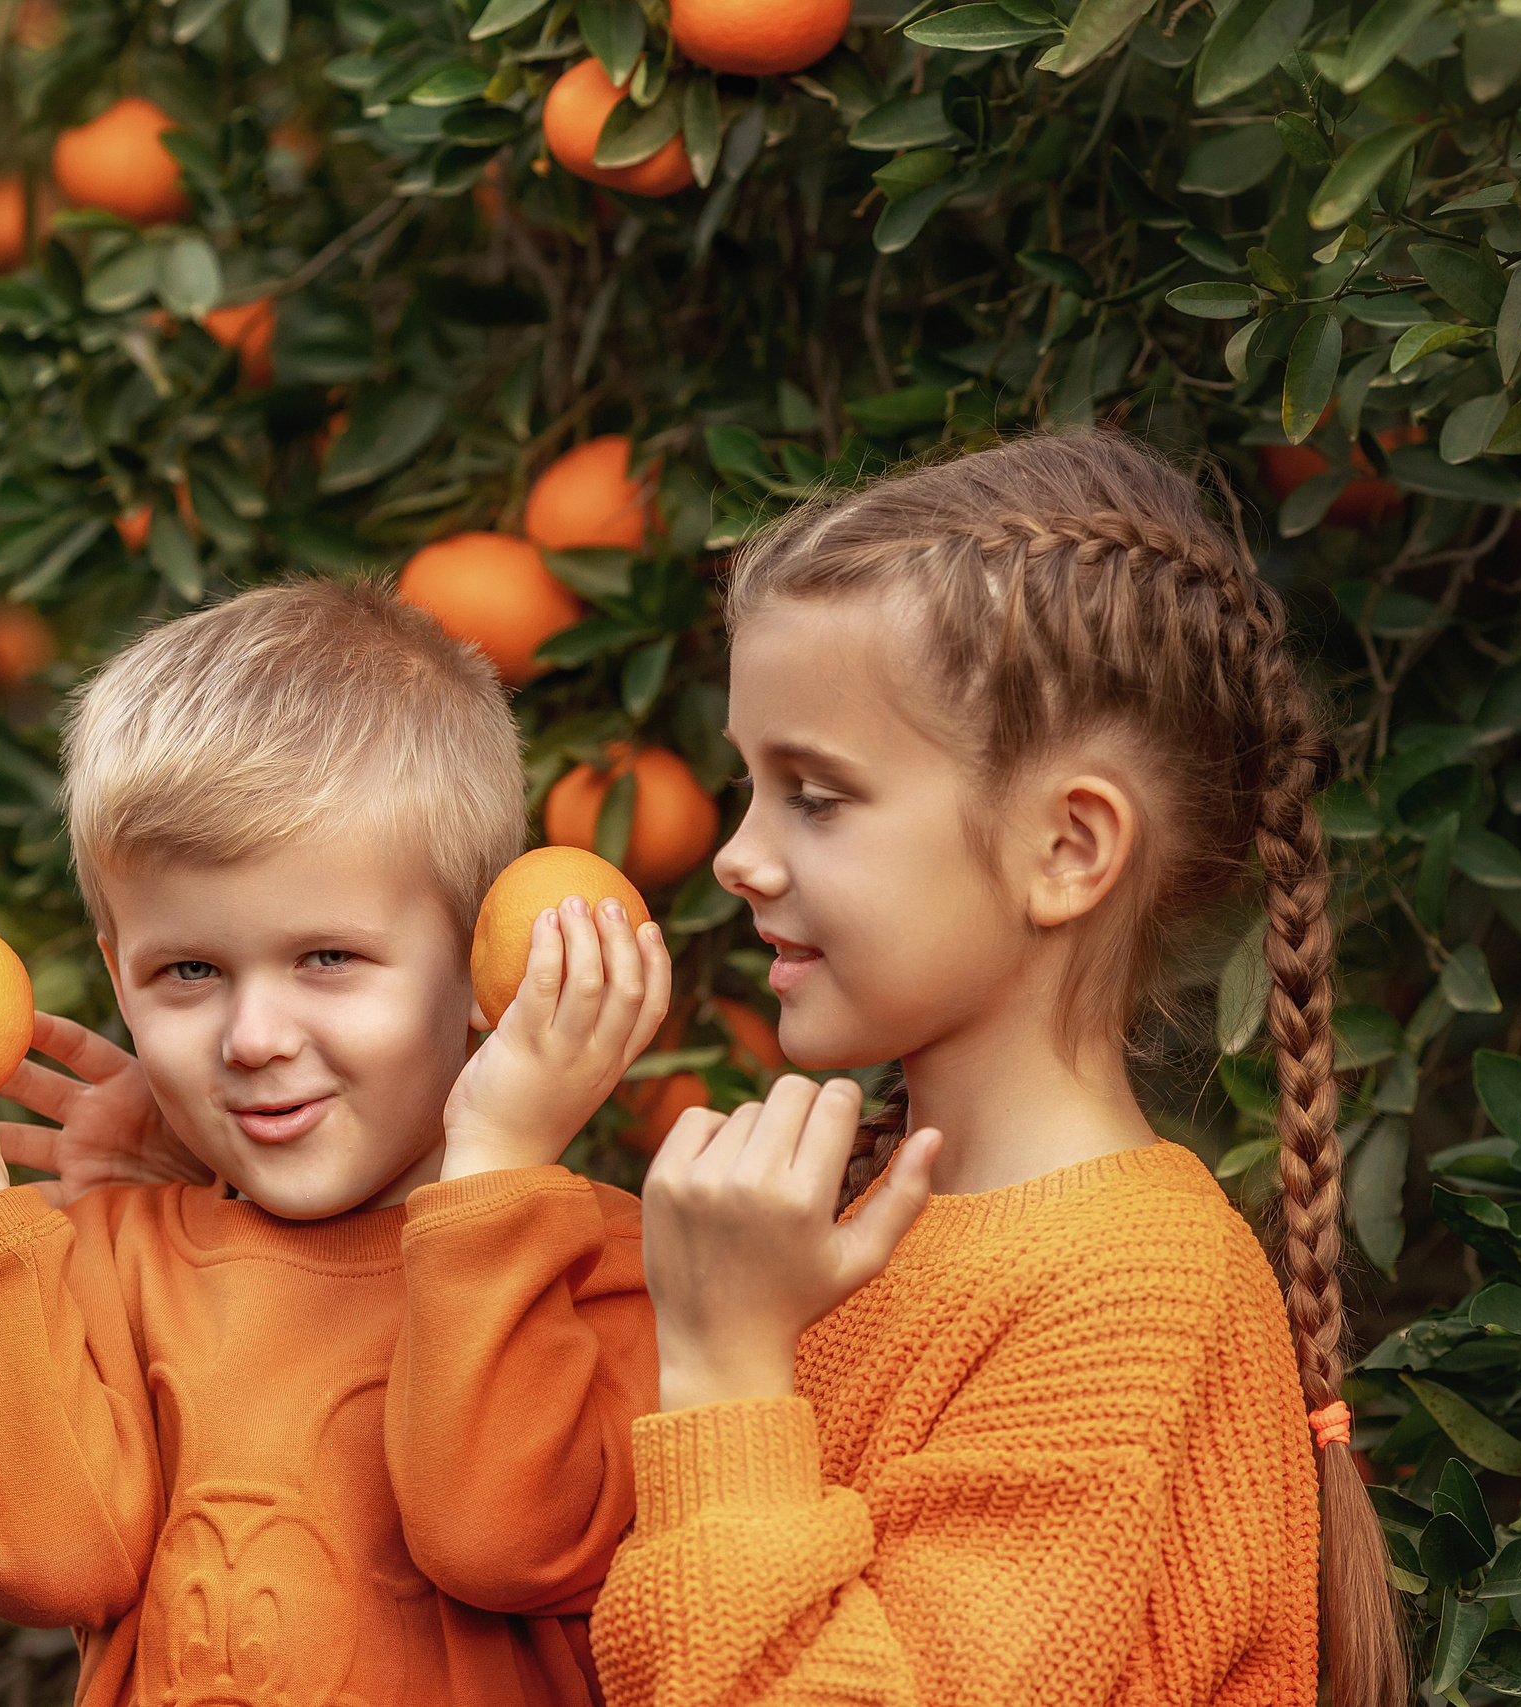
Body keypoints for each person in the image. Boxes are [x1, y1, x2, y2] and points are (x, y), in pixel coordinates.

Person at [594, 432, 1406, 1707]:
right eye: (746, 785)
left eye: (815, 795)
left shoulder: (1136, 1293)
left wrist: (724, 1377)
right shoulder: (857, 1229)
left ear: (1068, 849)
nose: (736, 857)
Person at [0, 579, 669, 1706]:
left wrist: (501, 1157)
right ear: (119, 975)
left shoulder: (598, 1262)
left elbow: (500, 1537)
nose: (254, 1038)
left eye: (327, 959)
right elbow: (42, 1557)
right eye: (190, 973)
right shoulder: (105, 1261)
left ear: (480, 959)